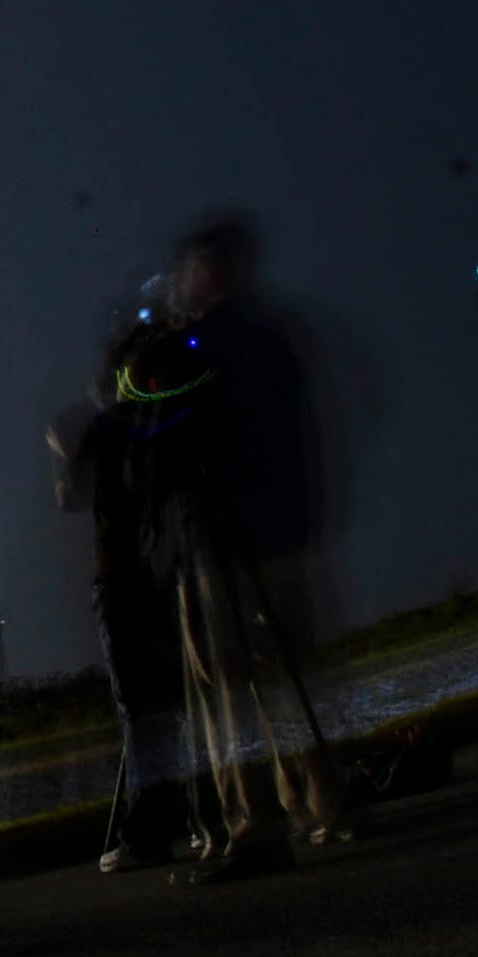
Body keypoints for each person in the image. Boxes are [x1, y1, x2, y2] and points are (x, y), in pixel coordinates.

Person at [155, 216, 344, 867]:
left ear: (212, 271)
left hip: (220, 535)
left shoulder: (205, 347)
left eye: (189, 270)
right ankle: (322, 801)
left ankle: (256, 817)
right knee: (287, 672)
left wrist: (162, 343)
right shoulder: (267, 340)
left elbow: (143, 409)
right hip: (274, 527)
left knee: (231, 685)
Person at [50, 291, 189, 872]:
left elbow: (70, 496)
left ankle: (148, 828)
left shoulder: (110, 427)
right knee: (171, 703)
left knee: (141, 709)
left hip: (124, 577)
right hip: (167, 574)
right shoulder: (172, 420)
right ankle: (183, 815)